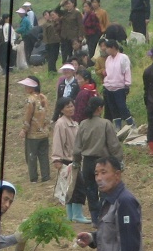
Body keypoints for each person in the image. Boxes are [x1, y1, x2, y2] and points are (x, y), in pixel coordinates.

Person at [73, 96, 124, 224]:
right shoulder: (106, 123)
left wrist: (76, 161)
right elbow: (113, 145)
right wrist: (118, 161)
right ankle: (104, 217)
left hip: (87, 163)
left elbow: (77, 147)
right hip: (103, 163)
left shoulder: (83, 124)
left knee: (90, 191)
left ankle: (95, 219)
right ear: (100, 108)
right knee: (105, 189)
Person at [51, 97, 91, 224]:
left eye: (72, 105)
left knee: (72, 188)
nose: (71, 108)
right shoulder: (61, 123)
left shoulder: (74, 122)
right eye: (67, 106)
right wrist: (57, 159)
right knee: (76, 187)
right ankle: (76, 214)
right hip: (68, 161)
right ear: (61, 109)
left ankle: (71, 215)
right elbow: (58, 142)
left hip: (76, 159)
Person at [18, 76, 50, 184]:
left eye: (27, 86)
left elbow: (28, 116)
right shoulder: (43, 97)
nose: (25, 87)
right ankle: (46, 176)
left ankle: (33, 177)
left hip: (33, 134)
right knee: (43, 155)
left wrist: (24, 129)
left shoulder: (30, 100)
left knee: (31, 156)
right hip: (44, 132)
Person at [102, 40, 135, 130]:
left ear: (113, 47)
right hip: (109, 87)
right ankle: (117, 126)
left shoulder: (123, 57)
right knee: (113, 107)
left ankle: (131, 123)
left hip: (119, 87)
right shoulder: (108, 59)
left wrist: (127, 84)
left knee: (122, 107)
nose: (106, 50)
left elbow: (126, 71)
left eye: (108, 48)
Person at [59, 0, 84, 65]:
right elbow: (56, 11)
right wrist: (61, 3)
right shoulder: (64, 12)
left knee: (76, 53)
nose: (67, 5)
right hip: (65, 36)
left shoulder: (77, 13)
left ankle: (78, 65)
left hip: (74, 36)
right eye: (66, 4)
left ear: (73, 4)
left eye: (69, 3)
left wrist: (80, 36)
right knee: (66, 53)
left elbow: (80, 25)